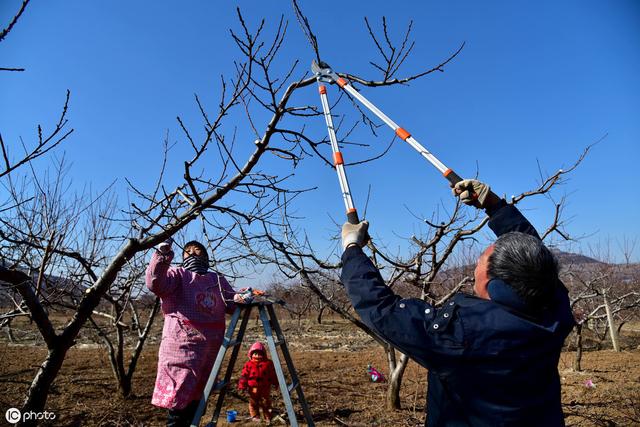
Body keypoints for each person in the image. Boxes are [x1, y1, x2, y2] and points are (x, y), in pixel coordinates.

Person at [340, 179, 575, 426]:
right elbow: (534, 256)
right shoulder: (552, 308)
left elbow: (383, 310)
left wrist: (352, 248)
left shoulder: (463, 333)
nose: (474, 268)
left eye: (480, 263)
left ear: (496, 283)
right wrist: (495, 205)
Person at [146, 239, 246, 427]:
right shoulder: (177, 274)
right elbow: (155, 284)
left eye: (197, 250)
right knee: (178, 407)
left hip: (209, 352)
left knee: (198, 402)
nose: (191, 253)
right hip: (182, 349)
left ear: (206, 256)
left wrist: (242, 297)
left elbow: (231, 303)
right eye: (187, 251)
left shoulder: (216, 279)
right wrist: (163, 254)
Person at [238, 341, 279, 423]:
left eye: (259, 353)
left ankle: (267, 415)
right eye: (255, 353)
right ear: (251, 354)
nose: (257, 356)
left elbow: (273, 374)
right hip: (253, 387)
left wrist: (276, 382)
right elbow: (244, 376)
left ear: (264, 354)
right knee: (254, 401)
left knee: (266, 401)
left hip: (265, 387)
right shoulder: (249, 364)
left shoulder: (268, 363)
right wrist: (242, 385)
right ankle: (255, 415)